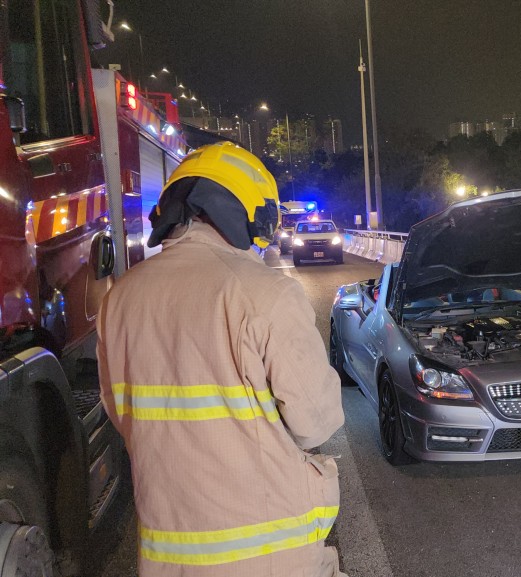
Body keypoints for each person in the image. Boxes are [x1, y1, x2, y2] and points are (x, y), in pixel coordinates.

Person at [97, 142, 346, 577]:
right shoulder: (265, 292)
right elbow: (316, 424)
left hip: (167, 557)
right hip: (272, 553)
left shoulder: (119, 299)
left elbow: (124, 415)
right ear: (245, 211)